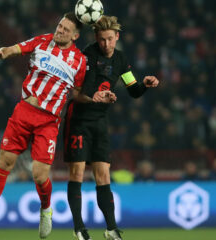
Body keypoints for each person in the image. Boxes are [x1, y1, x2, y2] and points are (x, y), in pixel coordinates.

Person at [0, 12, 116, 239]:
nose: (60, 30)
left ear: (75, 36)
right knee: (5, 162)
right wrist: (5, 52)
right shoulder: (42, 41)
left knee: (39, 175)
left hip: (49, 121)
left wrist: (96, 97)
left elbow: (79, 94)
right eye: (60, 26)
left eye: (65, 29)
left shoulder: (80, 62)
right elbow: (17, 48)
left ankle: (46, 209)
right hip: (23, 112)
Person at [64, 15, 159, 240]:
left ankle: (111, 228)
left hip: (99, 121)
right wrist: (94, 96)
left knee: (104, 175)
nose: (106, 44)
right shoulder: (86, 56)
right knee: (77, 172)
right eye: (101, 40)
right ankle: (79, 228)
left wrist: (144, 85)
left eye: (109, 39)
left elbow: (133, 90)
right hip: (78, 119)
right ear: (96, 38)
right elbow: (76, 94)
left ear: (117, 36)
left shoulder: (121, 60)